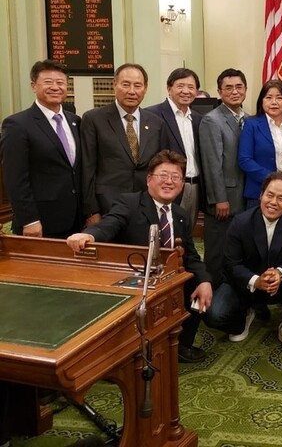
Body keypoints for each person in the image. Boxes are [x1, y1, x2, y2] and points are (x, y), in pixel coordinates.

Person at [66, 150, 213, 363]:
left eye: (175, 177)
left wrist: (205, 280)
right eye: (163, 175)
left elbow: (190, 254)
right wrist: (89, 235)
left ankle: (181, 345)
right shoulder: (129, 203)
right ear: (149, 179)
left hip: (167, 278)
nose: (169, 182)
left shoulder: (180, 215)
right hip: (134, 281)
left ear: (182, 184)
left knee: (198, 285)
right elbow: (109, 224)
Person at [205, 171, 282, 352]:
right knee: (214, 315)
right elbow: (231, 264)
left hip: (278, 285)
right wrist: (255, 281)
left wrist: (279, 273)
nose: (273, 202)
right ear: (261, 195)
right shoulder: (240, 222)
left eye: (281, 198)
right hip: (244, 284)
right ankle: (243, 315)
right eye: (269, 195)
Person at [0, 60, 82, 238]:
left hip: (77, 220)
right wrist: (29, 220)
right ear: (33, 86)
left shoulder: (75, 121)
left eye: (60, 82)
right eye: (48, 82)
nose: (55, 87)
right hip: (41, 223)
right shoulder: (17, 124)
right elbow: (15, 178)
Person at [80, 63, 169, 223]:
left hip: (146, 204)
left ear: (145, 88)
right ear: (114, 85)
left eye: (137, 85)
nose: (132, 91)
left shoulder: (156, 123)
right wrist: (91, 211)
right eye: (126, 84)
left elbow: (160, 165)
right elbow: (87, 168)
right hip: (107, 205)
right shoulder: (94, 119)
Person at [199, 69, 248, 285]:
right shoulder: (212, 120)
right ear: (219, 92)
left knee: (240, 252)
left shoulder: (248, 118)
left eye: (239, 87)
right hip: (224, 201)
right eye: (228, 88)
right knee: (218, 255)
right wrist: (219, 198)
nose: (234, 91)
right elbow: (212, 164)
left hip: (244, 197)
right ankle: (212, 301)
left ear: (245, 90)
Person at [145, 68, 203, 223]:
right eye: (180, 86)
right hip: (167, 185)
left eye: (191, 87)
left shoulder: (199, 119)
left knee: (186, 234)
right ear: (169, 88)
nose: (186, 91)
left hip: (194, 186)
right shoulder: (152, 115)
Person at [238, 79, 282, 209]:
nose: (274, 102)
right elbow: (244, 160)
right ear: (262, 101)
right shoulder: (251, 124)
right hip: (259, 192)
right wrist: (272, 180)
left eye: (279, 98)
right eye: (268, 97)